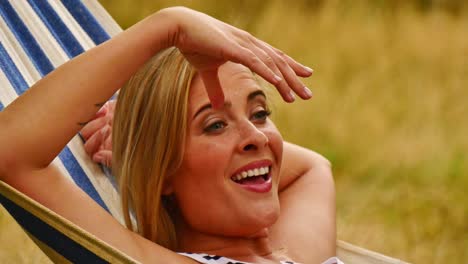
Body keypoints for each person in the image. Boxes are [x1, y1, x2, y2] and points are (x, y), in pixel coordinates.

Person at [0, 7, 340, 264]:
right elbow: (10, 154)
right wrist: (168, 25)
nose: (258, 137)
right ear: (163, 173)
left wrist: (139, 139)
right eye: (215, 125)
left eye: (260, 114)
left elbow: (313, 168)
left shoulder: (295, 253)